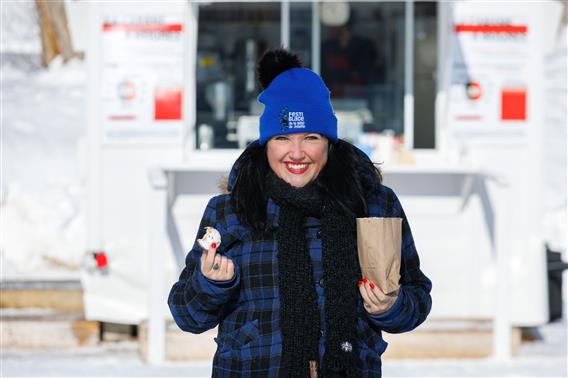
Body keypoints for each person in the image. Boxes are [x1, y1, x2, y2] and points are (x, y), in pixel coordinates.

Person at [168, 48, 432, 377]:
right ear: (265, 144)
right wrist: (211, 284)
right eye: (282, 137)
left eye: (310, 137)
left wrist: (391, 307)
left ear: (329, 141)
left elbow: (417, 299)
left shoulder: (373, 205)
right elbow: (186, 315)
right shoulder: (231, 211)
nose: (296, 153)